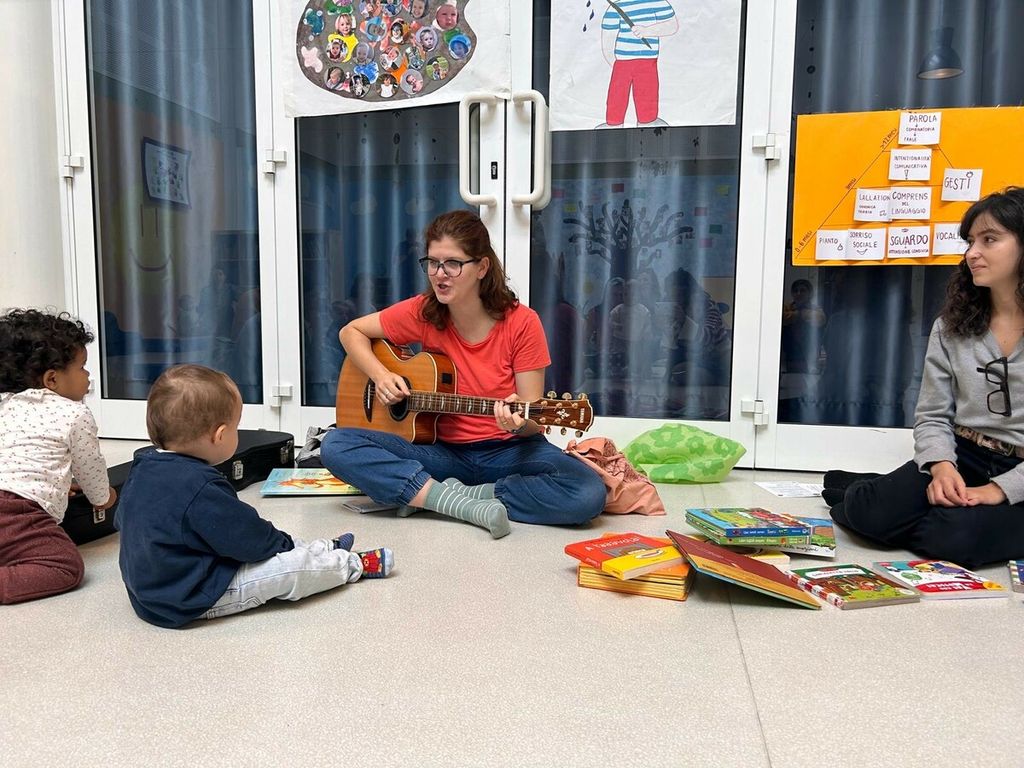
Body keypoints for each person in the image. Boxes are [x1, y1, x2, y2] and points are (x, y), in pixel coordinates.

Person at [320, 210, 606, 538]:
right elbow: (351, 332)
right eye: (433, 263)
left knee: (587, 492)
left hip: (508, 451)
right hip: (441, 453)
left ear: (481, 267)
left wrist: (516, 424)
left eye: (453, 264)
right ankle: (459, 503)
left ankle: (443, 495)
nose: (440, 275)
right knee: (336, 444)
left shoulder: (522, 323)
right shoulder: (423, 312)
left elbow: (532, 419)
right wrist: (381, 376)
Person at [824, 188, 1024, 568]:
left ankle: (883, 495)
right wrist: (941, 466)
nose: (972, 253)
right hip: (965, 453)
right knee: (870, 514)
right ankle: (877, 496)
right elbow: (932, 414)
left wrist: (1000, 489)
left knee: (958, 539)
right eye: (970, 242)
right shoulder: (951, 326)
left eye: (989, 239)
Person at [115, 364, 393, 628]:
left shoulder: (142, 467)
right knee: (289, 570)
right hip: (190, 597)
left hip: (153, 591)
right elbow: (250, 538)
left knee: (277, 544)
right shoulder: (199, 486)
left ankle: (321, 549)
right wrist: (285, 547)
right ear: (220, 435)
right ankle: (351, 564)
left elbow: (123, 521)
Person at [0, 309, 116, 604]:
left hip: (10, 500)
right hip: (17, 512)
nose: (88, 375)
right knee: (64, 565)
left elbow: (16, 459)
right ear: (52, 379)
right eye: (82, 367)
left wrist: (57, 484)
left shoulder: (5, 404)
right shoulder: (74, 413)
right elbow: (90, 469)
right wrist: (103, 497)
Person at [599, 0, 678, 128]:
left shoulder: (657, 2)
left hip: (648, 60)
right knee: (617, 95)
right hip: (622, 61)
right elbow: (607, 38)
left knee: (647, 93)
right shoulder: (615, 7)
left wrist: (647, 31)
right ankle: (614, 123)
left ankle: (647, 121)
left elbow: (672, 25)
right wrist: (614, 62)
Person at [781, 278, 826, 373]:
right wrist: (800, 314)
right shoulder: (787, 308)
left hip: (810, 357)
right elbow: (783, 318)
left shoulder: (816, 309)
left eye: (802, 290)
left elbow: (820, 320)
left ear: (809, 293)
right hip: (789, 356)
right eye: (795, 291)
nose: (798, 293)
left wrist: (799, 315)